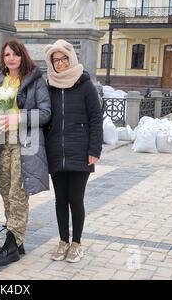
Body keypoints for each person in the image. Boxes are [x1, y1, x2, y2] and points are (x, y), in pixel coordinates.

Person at [0, 39, 51, 266]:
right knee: (5, 190)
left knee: (18, 192)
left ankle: (12, 243)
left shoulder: (34, 80)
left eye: (15, 55)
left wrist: (19, 117)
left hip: (24, 143)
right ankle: (17, 238)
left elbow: (45, 113)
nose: (11, 59)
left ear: (22, 56)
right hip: (1, 142)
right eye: (6, 55)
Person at [44, 39, 103, 263]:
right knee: (60, 200)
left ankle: (76, 243)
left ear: (71, 59)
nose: (60, 64)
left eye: (63, 59)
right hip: (56, 151)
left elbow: (96, 120)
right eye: (55, 60)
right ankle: (63, 241)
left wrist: (94, 149)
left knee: (76, 199)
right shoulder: (49, 85)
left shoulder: (85, 84)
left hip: (80, 151)